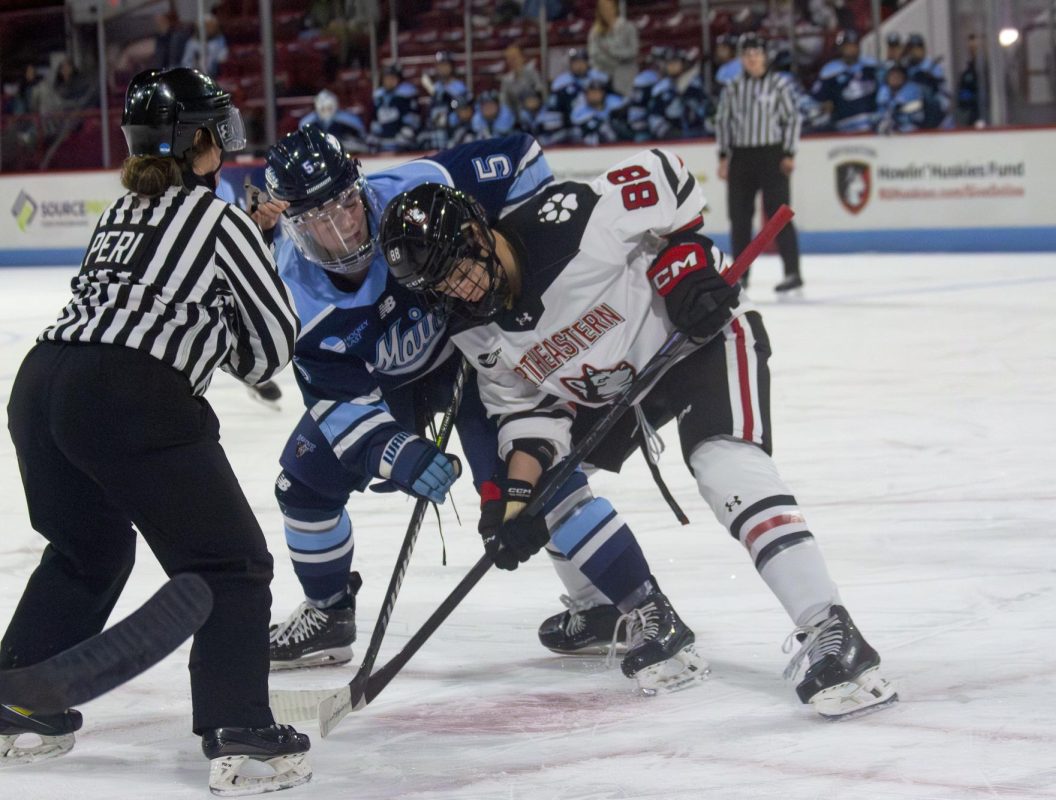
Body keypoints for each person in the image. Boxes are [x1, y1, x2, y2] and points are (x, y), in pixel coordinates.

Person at [380, 152, 899, 718]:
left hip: (697, 342)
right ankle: (605, 607)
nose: (459, 290)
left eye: (458, 268)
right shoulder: (475, 329)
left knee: (724, 466)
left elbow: (668, 173)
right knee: (547, 491)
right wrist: (518, 503)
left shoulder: (567, 219)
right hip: (620, 390)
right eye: (442, 286)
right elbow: (528, 414)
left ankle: (832, 629)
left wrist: (685, 259)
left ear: (478, 233)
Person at [0, 68, 310, 796]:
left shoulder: (121, 212)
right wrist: (250, 264)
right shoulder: (223, 221)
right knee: (230, 564)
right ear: (200, 140)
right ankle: (240, 732)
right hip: (129, 396)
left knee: (88, 547)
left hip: (41, 385)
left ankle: (15, 700)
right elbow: (269, 349)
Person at [260, 128, 571, 669]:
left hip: (470, 352)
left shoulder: (419, 186)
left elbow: (521, 157)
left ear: (361, 186)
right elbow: (338, 401)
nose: (341, 229)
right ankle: (329, 613)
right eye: (317, 221)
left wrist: (514, 275)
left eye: (346, 207)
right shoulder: (291, 292)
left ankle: (615, 598)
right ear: (292, 224)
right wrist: (397, 452)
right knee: (302, 483)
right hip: (389, 385)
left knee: (528, 470)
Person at [715, 33, 803, 294]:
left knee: (779, 215)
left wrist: (789, 152)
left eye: (756, 54)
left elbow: (793, 119)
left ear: (765, 56)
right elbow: (723, 122)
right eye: (747, 55)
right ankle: (741, 274)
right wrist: (723, 157)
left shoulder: (779, 85)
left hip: (772, 155)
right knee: (739, 217)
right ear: (741, 59)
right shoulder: (732, 88)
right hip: (741, 156)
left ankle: (792, 272)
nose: (752, 59)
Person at [811, 29, 879, 134]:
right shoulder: (830, 71)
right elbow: (819, 99)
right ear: (840, 48)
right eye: (847, 46)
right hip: (845, 125)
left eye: (854, 45)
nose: (851, 49)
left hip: (872, 122)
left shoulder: (871, 65)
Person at [647, 48, 711, 140]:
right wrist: (666, 131)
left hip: (697, 135)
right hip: (669, 138)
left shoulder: (695, 86)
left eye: (675, 62)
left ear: (683, 64)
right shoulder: (661, 88)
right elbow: (654, 115)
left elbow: (704, 110)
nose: (671, 66)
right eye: (669, 63)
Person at [588, 0, 639, 96]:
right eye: (603, 7)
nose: (606, 10)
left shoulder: (628, 28)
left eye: (609, 7)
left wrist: (611, 51)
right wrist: (617, 60)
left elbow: (633, 52)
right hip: (602, 77)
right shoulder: (595, 31)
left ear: (615, 8)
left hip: (624, 78)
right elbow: (594, 55)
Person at [370, 63, 422, 152]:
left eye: (392, 78)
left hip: (402, 143)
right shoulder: (379, 97)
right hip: (383, 143)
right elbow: (375, 120)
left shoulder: (406, 95)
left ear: (398, 79)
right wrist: (375, 136)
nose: (389, 81)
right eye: (386, 78)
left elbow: (413, 121)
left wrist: (404, 135)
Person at [299, 89, 368, 151]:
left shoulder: (350, 121)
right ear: (316, 107)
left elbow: (362, 140)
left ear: (335, 105)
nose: (326, 112)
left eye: (329, 108)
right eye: (323, 109)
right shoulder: (307, 123)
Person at [569, 76, 622, 145]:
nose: (594, 95)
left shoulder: (614, 103)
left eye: (597, 92)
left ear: (603, 93)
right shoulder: (580, 111)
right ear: (586, 94)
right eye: (591, 92)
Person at [499, 43, 546, 116]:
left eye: (514, 58)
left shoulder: (533, 74)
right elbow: (504, 103)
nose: (511, 61)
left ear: (522, 57)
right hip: (516, 116)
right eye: (509, 58)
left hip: (536, 112)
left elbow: (542, 94)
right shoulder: (506, 80)